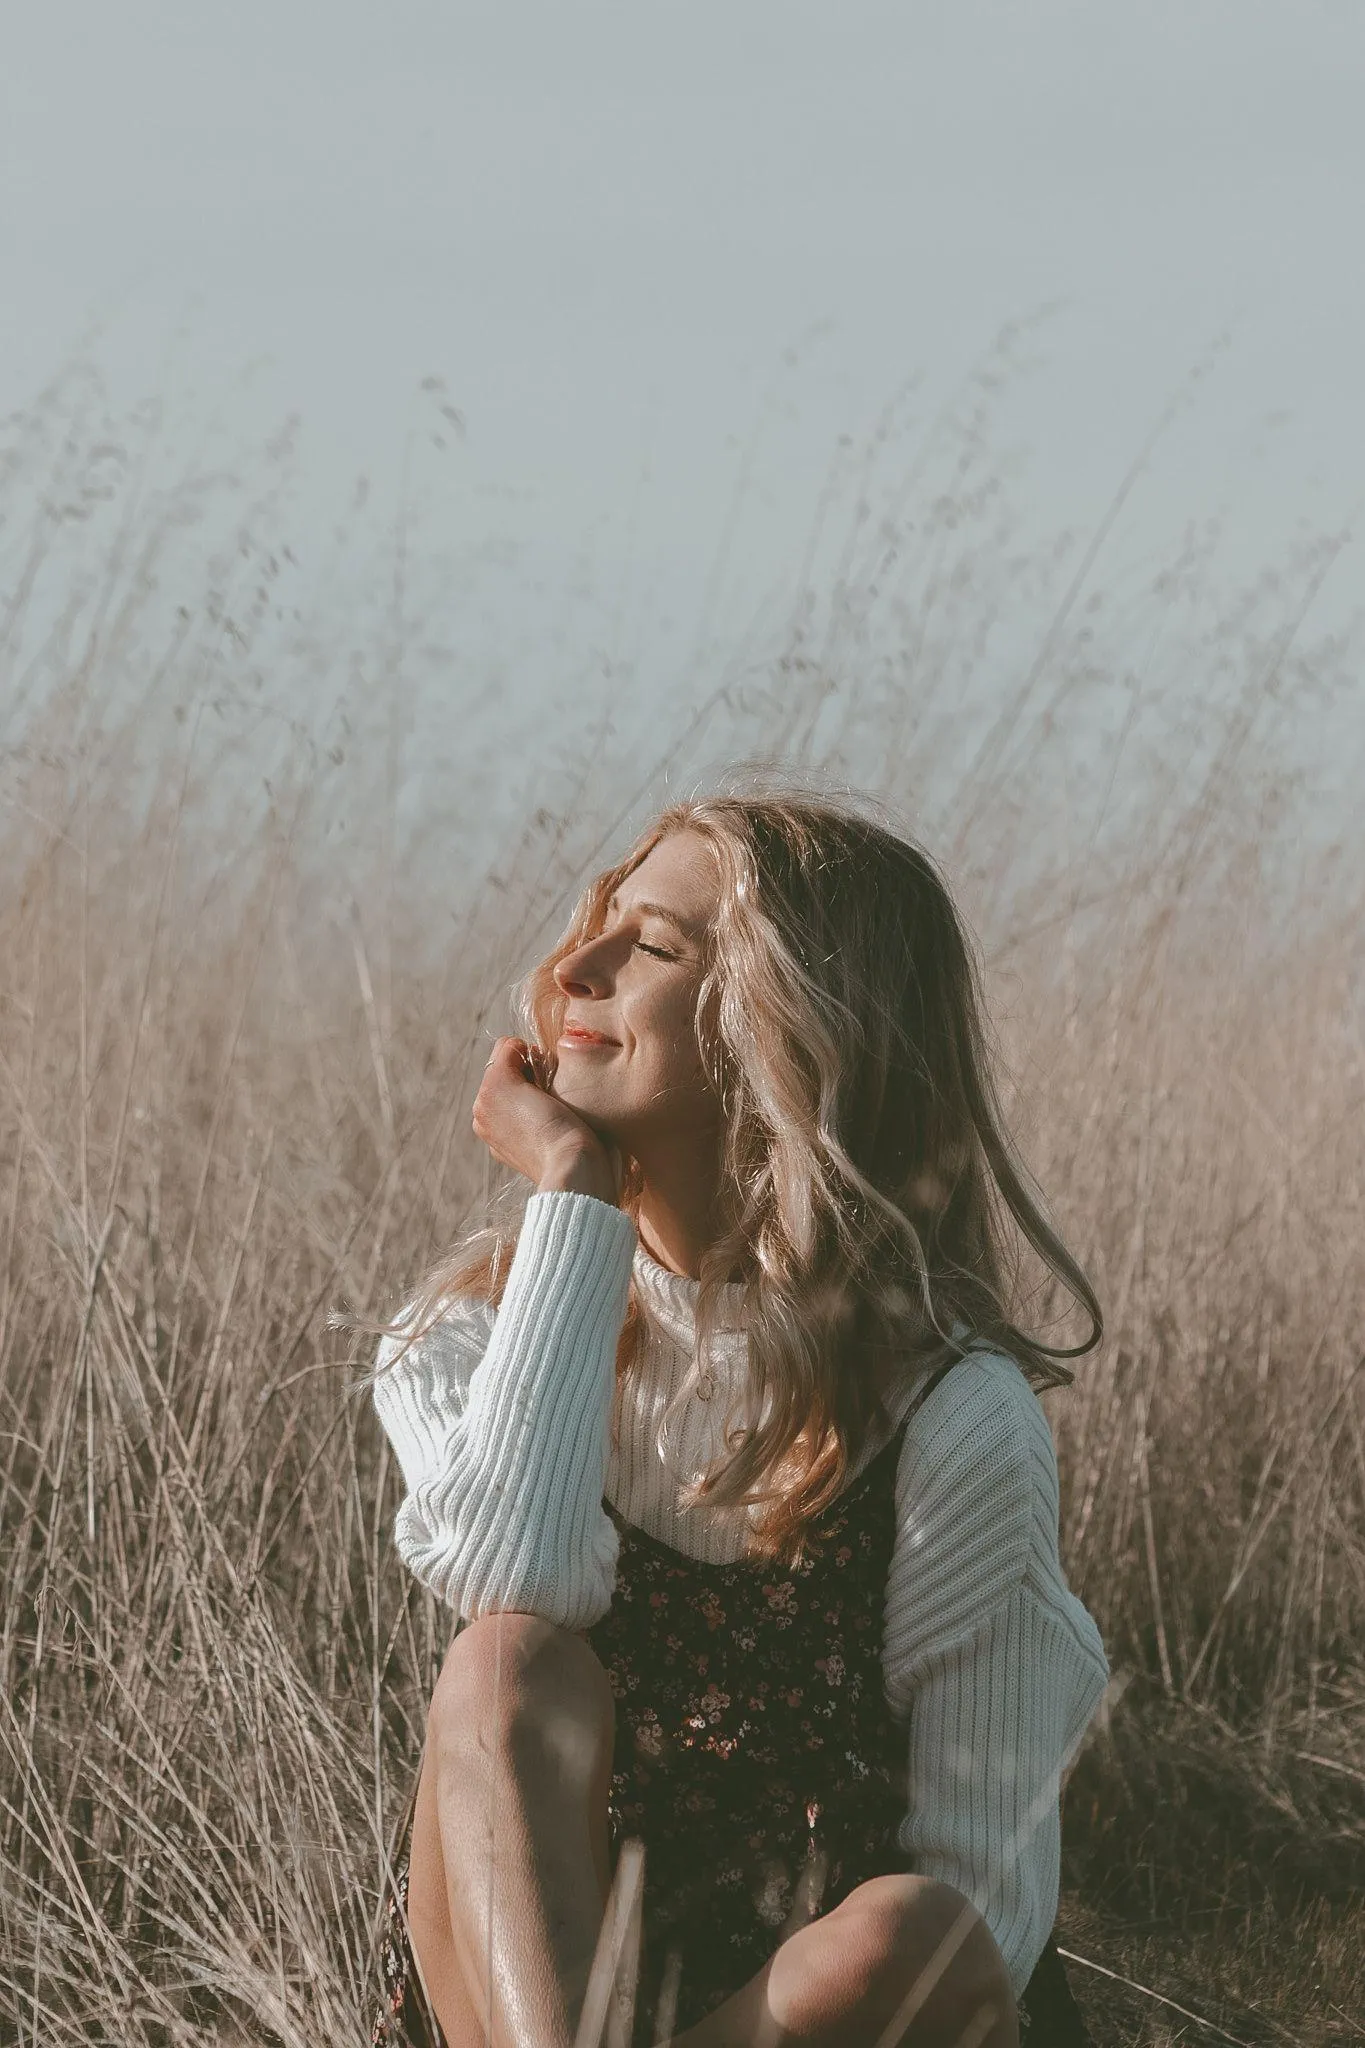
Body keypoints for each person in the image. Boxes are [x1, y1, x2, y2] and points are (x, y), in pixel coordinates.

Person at [367, 788, 1109, 2048]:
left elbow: (987, 1908)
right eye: (597, 922)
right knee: (501, 1664)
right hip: (534, 2002)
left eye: (649, 944)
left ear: (797, 1033)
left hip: (796, 2021)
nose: (573, 965)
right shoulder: (467, 1336)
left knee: (914, 1933)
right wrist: (574, 1202)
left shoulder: (951, 1412)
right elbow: (514, 1575)